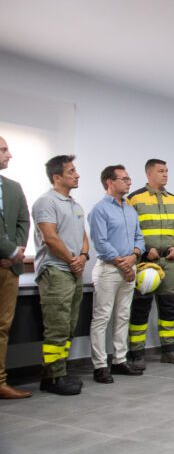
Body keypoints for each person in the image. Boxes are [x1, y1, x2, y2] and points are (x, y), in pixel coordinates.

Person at [32, 155, 88, 395]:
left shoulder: (75, 205)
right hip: (55, 271)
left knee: (69, 325)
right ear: (57, 177)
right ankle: (53, 377)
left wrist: (83, 257)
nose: (77, 175)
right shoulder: (46, 202)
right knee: (56, 326)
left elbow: (83, 237)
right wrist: (71, 260)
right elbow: (50, 237)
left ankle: (59, 371)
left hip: (73, 271)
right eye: (72, 171)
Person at [127, 159, 174, 368]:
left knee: (168, 308)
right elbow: (129, 230)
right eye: (160, 171)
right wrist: (144, 250)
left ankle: (169, 350)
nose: (165, 174)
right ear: (148, 174)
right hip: (145, 263)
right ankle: (136, 353)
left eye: (167, 171)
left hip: (170, 262)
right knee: (141, 307)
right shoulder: (134, 199)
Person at [88, 165, 145, 383]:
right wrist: (124, 265)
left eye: (129, 179)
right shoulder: (99, 210)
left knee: (122, 316)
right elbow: (101, 243)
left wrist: (134, 256)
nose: (129, 182)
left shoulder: (129, 209)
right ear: (109, 182)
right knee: (102, 318)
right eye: (124, 179)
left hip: (129, 267)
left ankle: (119, 360)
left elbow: (139, 237)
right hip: (109, 270)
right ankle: (100, 365)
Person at [0, 136, 31, 399]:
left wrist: (17, 251)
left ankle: (0, 382)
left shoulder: (13, 187)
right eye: (3, 150)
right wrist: (8, 250)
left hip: (9, 269)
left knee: (3, 326)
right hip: (6, 258)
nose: (9, 155)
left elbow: (23, 221)